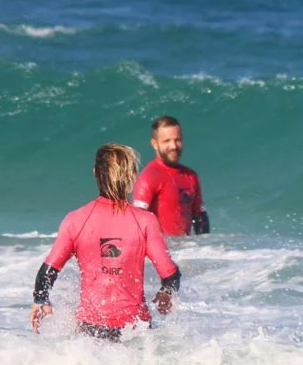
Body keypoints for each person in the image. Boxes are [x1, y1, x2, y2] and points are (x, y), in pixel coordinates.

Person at [30, 144, 181, 341]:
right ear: (132, 177)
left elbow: (47, 272)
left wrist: (40, 300)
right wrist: (166, 292)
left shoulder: (76, 220)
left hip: (90, 330)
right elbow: (170, 274)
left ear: (95, 173)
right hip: (135, 329)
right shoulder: (145, 221)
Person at [133, 115, 210, 236]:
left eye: (177, 140)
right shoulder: (149, 176)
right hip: (160, 250)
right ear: (155, 144)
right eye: (167, 141)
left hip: (186, 250)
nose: (174, 146)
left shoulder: (190, 176)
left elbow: (200, 217)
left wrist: (206, 248)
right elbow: (137, 222)